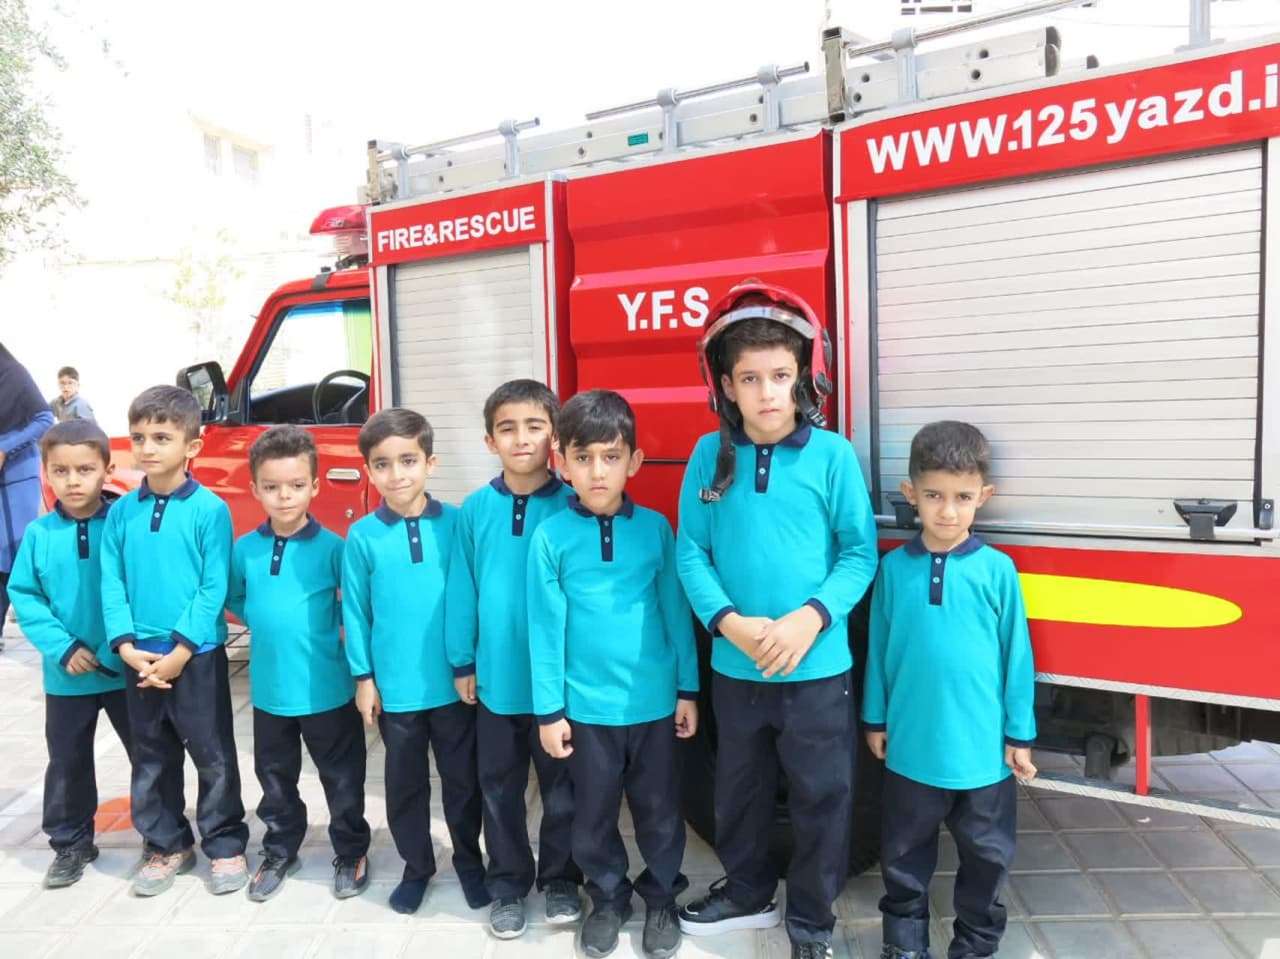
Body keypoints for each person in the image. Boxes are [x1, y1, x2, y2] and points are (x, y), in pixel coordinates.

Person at [675, 280, 879, 959]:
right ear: (725, 385)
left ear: (804, 377)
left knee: (823, 796)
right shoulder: (707, 457)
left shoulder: (833, 455)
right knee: (739, 788)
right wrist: (727, 622)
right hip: (736, 665)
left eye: (781, 376)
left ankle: (813, 923)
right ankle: (747, 891)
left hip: (816, 667)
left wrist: (810, 619)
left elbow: (858, 552)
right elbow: (691, 550)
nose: (767, 392)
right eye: (750, 378)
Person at [529, 389, 699, 959]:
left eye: (610, 456)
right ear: (562, 463)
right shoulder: (551, 537)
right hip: (585, 709)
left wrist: (687, 689)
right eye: (583, 458)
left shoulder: (655, 530)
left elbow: (675, 612)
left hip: (652, 704)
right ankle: (607, 898)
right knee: (593, 814)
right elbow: (544, 630)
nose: (597, 471)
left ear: (634, 461)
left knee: (660, 811)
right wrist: (550, 711)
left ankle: (661, 898)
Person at [863, 421, 1037, 959]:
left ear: (984, 496)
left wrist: (1019, 734)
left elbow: (1017, 656)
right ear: (910, 493)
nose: (947, 511)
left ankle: (976, 943)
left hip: (983, 757)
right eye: (934, 495)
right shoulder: (893, 569)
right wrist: (875, 718)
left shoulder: (998, 570)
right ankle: (904, 941)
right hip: (911, 750)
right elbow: (879, 647)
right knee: (902, 854)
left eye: (962, 497)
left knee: (987, 858)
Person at [445, 379, 582, 939]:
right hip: (497, 683)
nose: (521, 438)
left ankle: (562, 878)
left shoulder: (574, 506)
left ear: (555, 436)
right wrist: (462, 660)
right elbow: (463, 588)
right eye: (507, 428)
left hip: (559, 686)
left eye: (534, 426)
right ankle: (507, 884)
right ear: (489, 440)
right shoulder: (475, 509)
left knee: (563, 789)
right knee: (499, 788)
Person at [100, 385, 249, 897]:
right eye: (139, 437)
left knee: (212, 754)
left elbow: (213, 585)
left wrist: (181, 651)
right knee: (151, 756)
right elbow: (111, 582)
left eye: (162, 437)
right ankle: (166, 844)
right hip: (139, 657)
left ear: (193, 445)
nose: (148, 448)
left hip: (195, 656)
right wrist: (125, 646)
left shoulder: (209, 510)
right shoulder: (121, 512)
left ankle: (224, 844)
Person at [342, 407, 488, 915]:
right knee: (405, 786)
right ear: (368, 470)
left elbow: (472, 597)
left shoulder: (458, 523)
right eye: (382, 464)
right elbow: (355, 610)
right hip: (396, 689)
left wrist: (470, 663)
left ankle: (470, 863)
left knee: (463, 782)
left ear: (430, 462)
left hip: (453, 685)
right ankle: (417, 866)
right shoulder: (362, 536)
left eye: (408, 460)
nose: (396, 474)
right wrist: (364, 677)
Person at [227, 425, 371, 903]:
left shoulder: (334, 547)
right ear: (255, 489)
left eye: (295, 485)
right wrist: (266, 621)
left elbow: (354, 606)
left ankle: (350, 850)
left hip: (327, 689)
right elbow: (236, 596)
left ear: (314, 486)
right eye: (272, 486)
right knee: (275, 779)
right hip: (270, 693)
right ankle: (279, 849)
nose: (284, 496)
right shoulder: (245, 549)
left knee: (342, 778)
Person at [8, 419, 133, 889]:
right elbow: (26, 596)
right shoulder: (38, 534)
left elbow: (137, 588)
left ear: (107, 470)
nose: (73, 481)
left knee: (150, 755)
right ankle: (71, 843)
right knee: (68, 762)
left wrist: (113, 648)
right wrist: (63, 648)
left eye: (85, 469)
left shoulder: (123, 526)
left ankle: (164, 835)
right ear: (46, 473)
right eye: (61, 471)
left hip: (123, 668)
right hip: (67, 677)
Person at [0, 342, 55, 643]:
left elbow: (45, 418)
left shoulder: (13, 374)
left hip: (17, 475)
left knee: (13, 552)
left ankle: (44, 622)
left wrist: (5, 448)